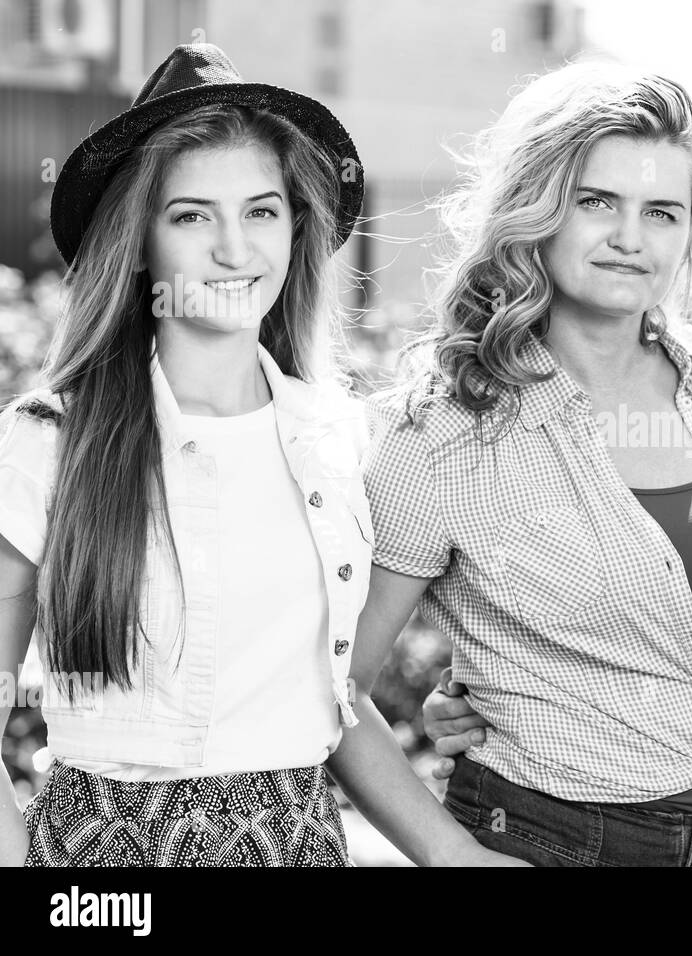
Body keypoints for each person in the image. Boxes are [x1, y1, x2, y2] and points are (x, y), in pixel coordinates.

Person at [0, 43, 473, 867]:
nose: (234, 249)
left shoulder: (343, 441)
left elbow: (340, 700)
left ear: (296, 227)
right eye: (191, 216)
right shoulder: (51, 442)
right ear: (139, 242)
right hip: (103, 862)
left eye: (261, 211)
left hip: (298, 842)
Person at [350, 61, 692, 867]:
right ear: (537, 211)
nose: (629, 238)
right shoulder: (442, 433)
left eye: (661, 211)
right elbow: (330, 685)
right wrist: (453, 858)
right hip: (549, 838)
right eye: (596, 202)